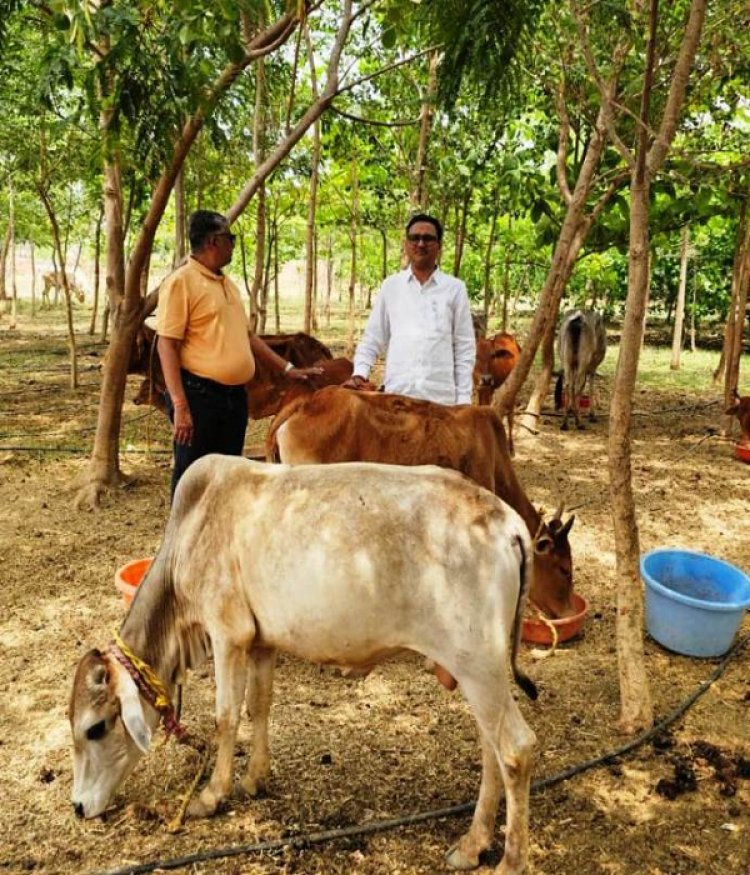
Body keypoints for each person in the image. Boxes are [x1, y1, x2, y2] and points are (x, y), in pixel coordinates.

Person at [156, 209, 316, 499]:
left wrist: (288, 369)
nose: (233, 244)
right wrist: (180, 405)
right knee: (192, 478)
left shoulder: (227, 284)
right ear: (213, 241)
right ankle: (182, 529)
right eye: (230, 238)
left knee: (227, 477)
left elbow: (247, 336)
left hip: (233, 399)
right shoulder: (182, 282)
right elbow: (166, 344)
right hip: (199, 397)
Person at [345, 214, 475, 405]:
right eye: (415, 238)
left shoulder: (455, 289)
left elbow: (464, 347)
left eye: (428, 238)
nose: (420, 244)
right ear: (406, 244)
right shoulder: (391, 286)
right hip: (398, 398)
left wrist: (463, 399)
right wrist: (360, 373)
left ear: (439, 246)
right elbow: (373, 338)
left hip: (440, 400)